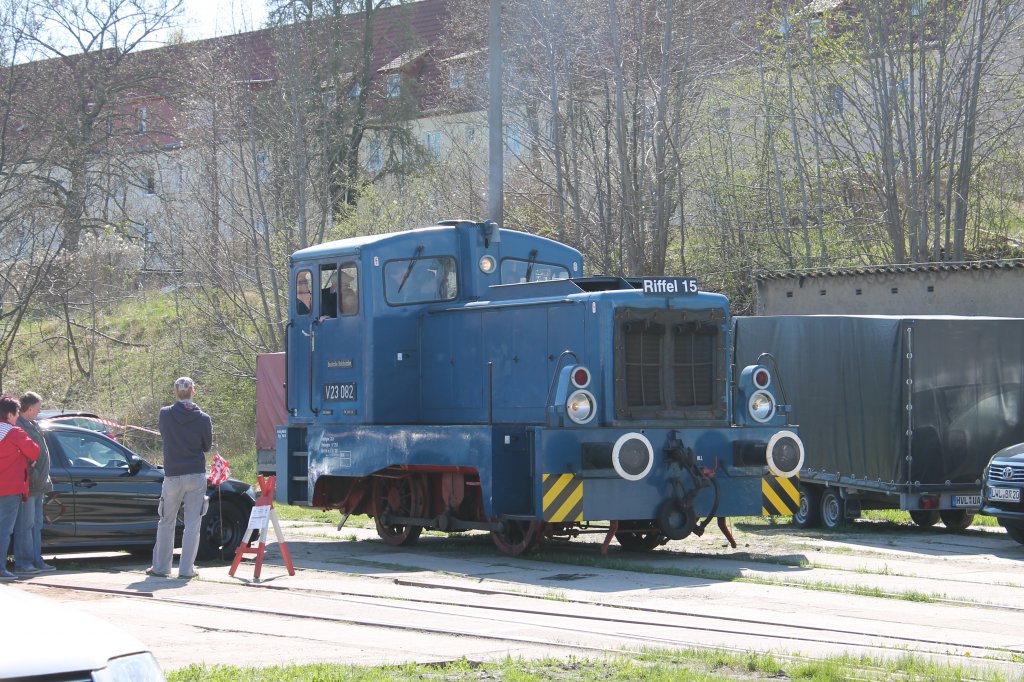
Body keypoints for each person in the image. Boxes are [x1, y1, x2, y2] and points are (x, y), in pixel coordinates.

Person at [149, 377, 213, 580]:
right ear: (193, 391)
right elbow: (206, 447)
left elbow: (164, 434)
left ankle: (161, 567)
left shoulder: (165, 414)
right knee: (193, 523)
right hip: (195, 473)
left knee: (166, 521)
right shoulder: (204, 419)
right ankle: (186, 570)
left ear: (176, 392)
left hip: (172, 475)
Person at [11, 392, 55, 575]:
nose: (39, 411)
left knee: (36, 524)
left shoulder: (32, 424)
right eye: (37, 408)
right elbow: (23, 457)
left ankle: (37, 559)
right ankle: (23, 562)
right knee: (25, 525)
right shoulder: (19, 426)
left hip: (39, 485)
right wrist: (35, 473)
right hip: (28, 484)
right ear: (29, 409)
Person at [0, 393, 40, 581]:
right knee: (4, 529)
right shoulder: (14, 432)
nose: (17, 417)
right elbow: (34, 450)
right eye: (16, 414)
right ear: (9, 415)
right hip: (8, 488)